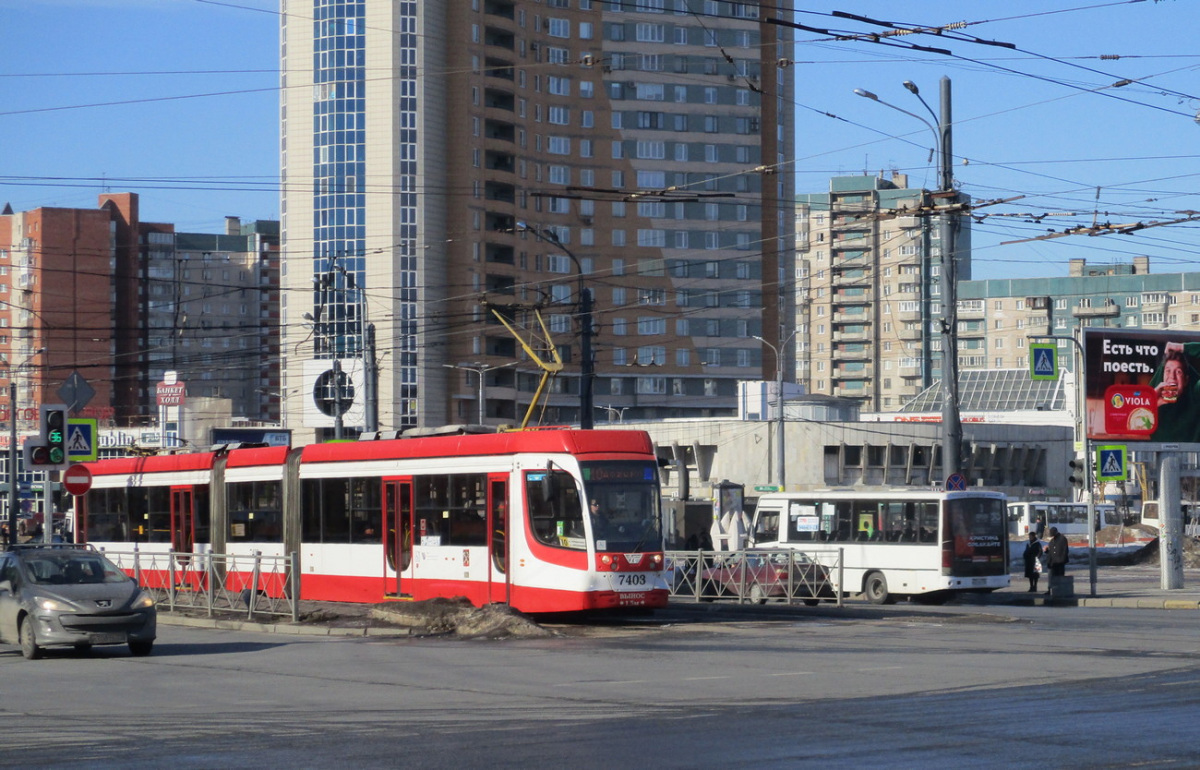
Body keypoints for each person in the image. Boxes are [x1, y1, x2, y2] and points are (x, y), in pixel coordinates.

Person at [1151, 341, 1200, 442]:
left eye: (1178, 372)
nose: (1172, 377)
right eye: (1168, 371)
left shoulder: (1196, 396)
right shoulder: (1153, 400)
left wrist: (1183, 347)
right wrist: (1151, 404)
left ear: (1186, 380)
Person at [1045, 526, 1069, 593]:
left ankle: (1059, 590)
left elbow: (1065, 550)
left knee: (1060, 577)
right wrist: (1046, 551)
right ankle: (1051, 590)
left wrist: (1062, 560)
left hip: (1059, 562)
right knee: (1052, 577)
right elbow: (1051, 551)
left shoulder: (1062, 539)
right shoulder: (1052, 541)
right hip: (1052, 562)